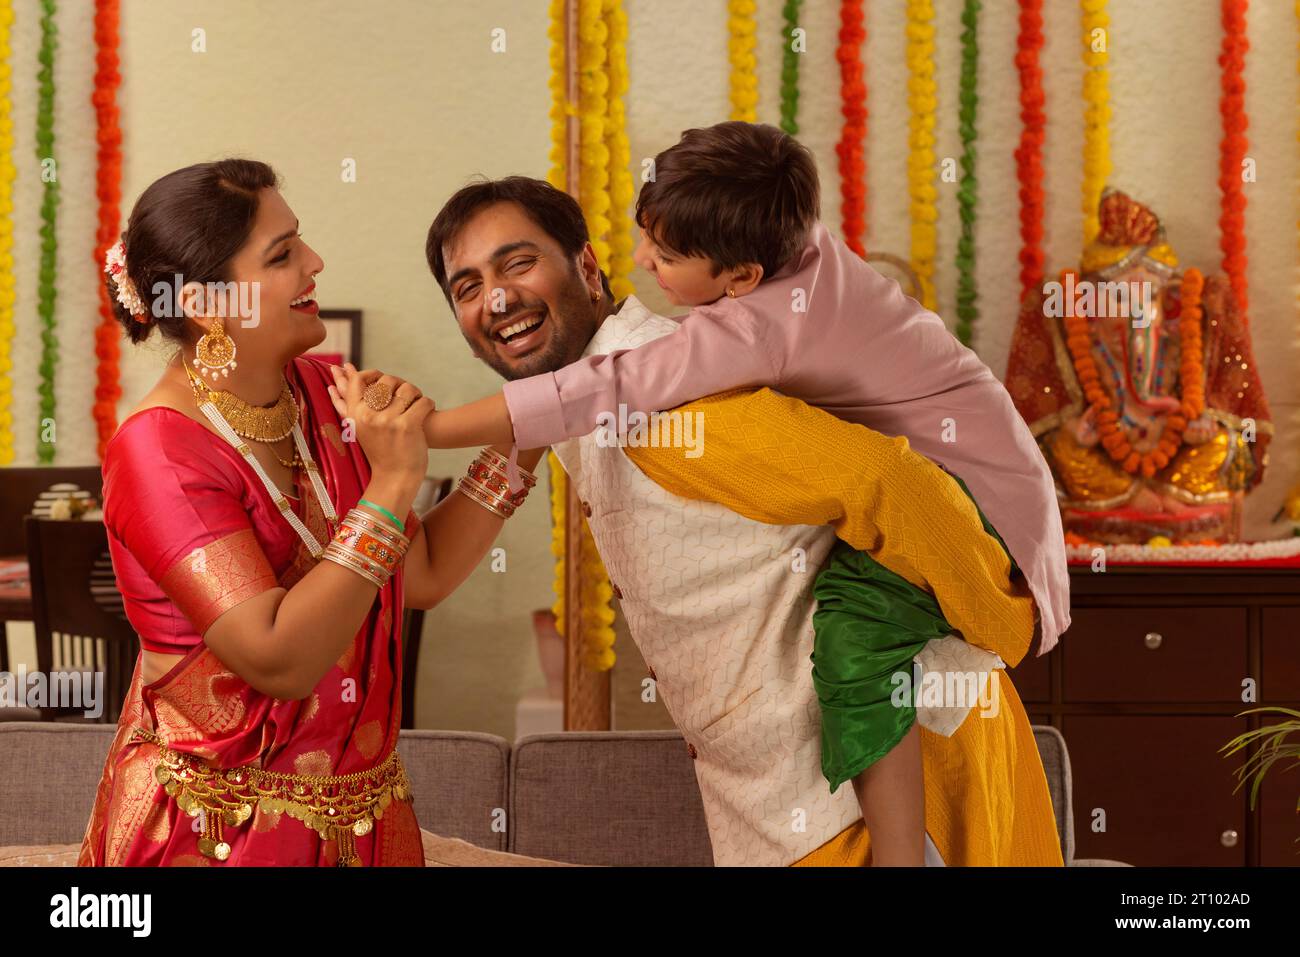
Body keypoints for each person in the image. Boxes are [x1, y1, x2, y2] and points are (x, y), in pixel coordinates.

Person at [333, 175, 1065, 866]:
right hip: (798, 800)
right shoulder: (568, 412)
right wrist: (398, 451)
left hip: (901, 780)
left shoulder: (667, 396)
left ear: (586, 266)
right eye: (468, 288)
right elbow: (426, 575)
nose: (495, 300)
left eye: (516, 264)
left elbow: (888, 479)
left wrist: (998, 613)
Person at [78, 159, 543, 867]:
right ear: (207, 304)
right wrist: (392, 483)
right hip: (215, 838)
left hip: (364, 825)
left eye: (301, 241)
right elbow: (280, 658)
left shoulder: (326, 391)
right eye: (283, 254)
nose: (315, 262)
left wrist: (527, 431)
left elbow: (419, 574)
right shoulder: (159, 451)